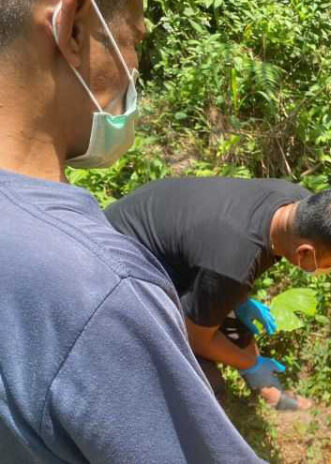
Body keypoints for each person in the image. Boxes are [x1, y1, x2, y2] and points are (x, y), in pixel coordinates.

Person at [0, 0, 266, 462]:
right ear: (74, 29)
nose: (135, 69)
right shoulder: (97, 290)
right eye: (135, 42)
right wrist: (252, 362)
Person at [105, 177, 331, 410]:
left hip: (158, 224)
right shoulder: (232, 264)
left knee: (225, 303)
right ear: (304, 253)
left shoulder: (297, 205)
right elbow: (196, 337)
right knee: (207, 389)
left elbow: (228, 272)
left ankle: (270, 392)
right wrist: (250, 363)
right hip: (116, 261)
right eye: (330, 265)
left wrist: (239, 301)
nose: (330, 270)